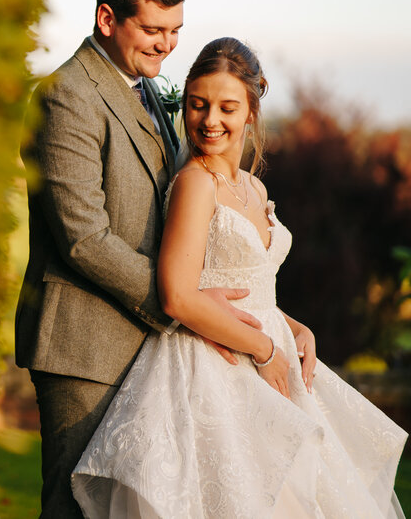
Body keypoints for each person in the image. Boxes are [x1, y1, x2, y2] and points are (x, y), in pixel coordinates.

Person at [71, 37, 408, 518]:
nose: (210, 120)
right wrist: (265, 349)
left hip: (270, 357)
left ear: (251, 110)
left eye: (227, 107)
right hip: (216, 369)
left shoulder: (253, 186)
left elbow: (250, 282)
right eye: (197, 105)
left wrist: (292, 329)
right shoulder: (195, 184)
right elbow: (178, 296)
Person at [15, 0, 258, 518]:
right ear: (107, 19)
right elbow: (83, 238)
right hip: (85, 349)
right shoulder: (65, 96)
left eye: (175, 31)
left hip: (153, 348)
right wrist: (185, 304)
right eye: (152, 30)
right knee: (77, 506)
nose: (166, 46)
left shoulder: (146, 89)